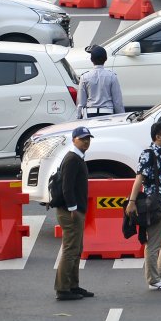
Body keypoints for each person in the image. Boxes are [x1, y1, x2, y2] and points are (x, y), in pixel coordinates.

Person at [126, 121, 161, 292]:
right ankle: (154, 280)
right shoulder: (148, 154)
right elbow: (139, 179)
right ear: (157, 137)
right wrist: (132, 201)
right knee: (154, 244)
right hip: (155, 204)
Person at [55, 126, 93, 301]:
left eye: (88, 138)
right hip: (71, 212)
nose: (86, 141)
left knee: (77, 249)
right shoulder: (72, 159)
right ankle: (63, 289)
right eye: (83, 138)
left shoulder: (78, 157)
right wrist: (72, 209)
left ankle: (73, 285)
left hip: (76, 210)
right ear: (74, 140)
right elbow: (66, 188)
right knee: (71, 250)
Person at [77, 45, 124, 118]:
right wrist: (121, 117)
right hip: (107, 114)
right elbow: (117, 102)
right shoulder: (112, 76)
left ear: (91, 59)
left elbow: (81, 103)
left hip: (90, 114)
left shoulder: (84, 77)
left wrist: (78, 118)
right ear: (106, 59)